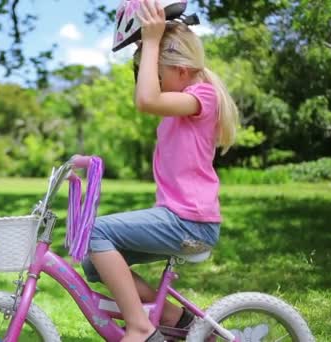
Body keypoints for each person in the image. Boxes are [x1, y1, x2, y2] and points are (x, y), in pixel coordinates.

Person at [81, 0, 240, 341]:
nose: (149, 80)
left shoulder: (203, 97)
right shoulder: (182, 101)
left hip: (191, 221)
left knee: (95, 231)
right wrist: (147, 44)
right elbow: (149, 97)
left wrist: (152, 42)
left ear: (182, 71)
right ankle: (177, 320)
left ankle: (140, 327)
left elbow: (146, 101)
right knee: (93, 262)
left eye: (155, 74)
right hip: (175, 217)